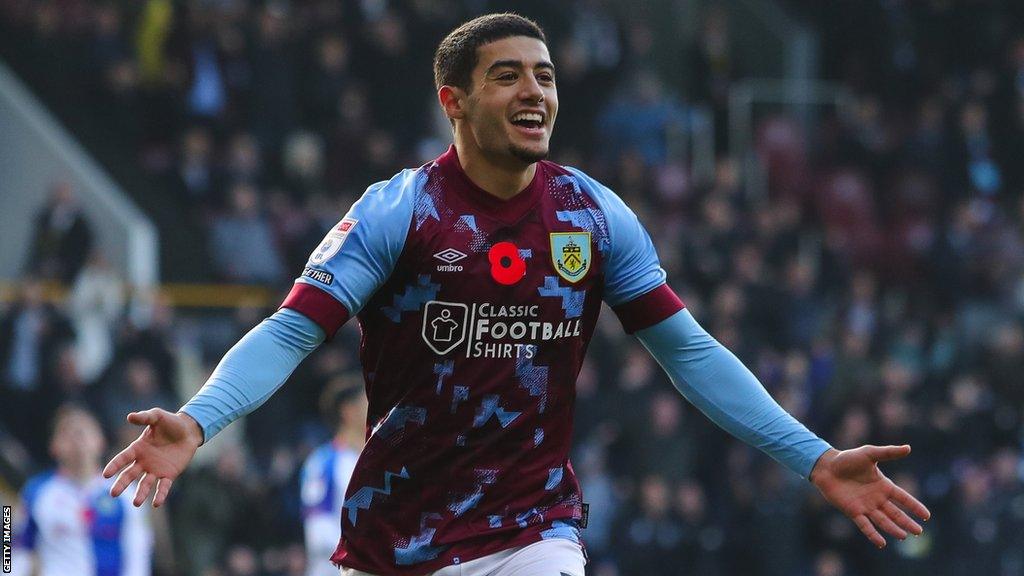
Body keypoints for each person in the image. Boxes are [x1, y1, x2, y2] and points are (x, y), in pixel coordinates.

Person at [103, 13, 931, 576]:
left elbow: (688, 351)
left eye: (544, 75)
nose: (535, 91)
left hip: (531, 530)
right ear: (453, 100)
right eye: (508, 76)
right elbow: (291, 333)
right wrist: (200, 419)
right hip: (394, 537)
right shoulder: (399, 211)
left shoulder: (596, 216)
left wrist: (813, 456)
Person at [13, 404, 152, 576]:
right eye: (67, 432)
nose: (77, 438)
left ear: (101, 440)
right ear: (53, 446)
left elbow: (138, 553)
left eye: (84, 431)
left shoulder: (125, 491)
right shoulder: (35, 492)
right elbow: (11, 545)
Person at [302, 376, 369, 576]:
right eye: (368, 402)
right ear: (349, 411)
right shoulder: (324, 463)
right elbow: (318, 528)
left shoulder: (383, 462)